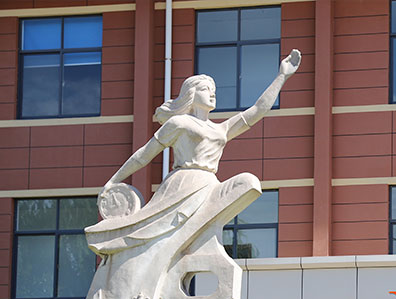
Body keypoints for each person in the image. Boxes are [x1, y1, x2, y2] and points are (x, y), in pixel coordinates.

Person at [86, 49, 301, 254]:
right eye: (206, 89)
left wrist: (281, 76)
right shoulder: (179, 123)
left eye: (214, 89)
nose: (212, 93)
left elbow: (257, 110)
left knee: (247, 185)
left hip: (209, 184)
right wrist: (114, 180)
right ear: (192, 93)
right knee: (159, 237)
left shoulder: (221, 129)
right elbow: (145, 154)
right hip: (183, 184)